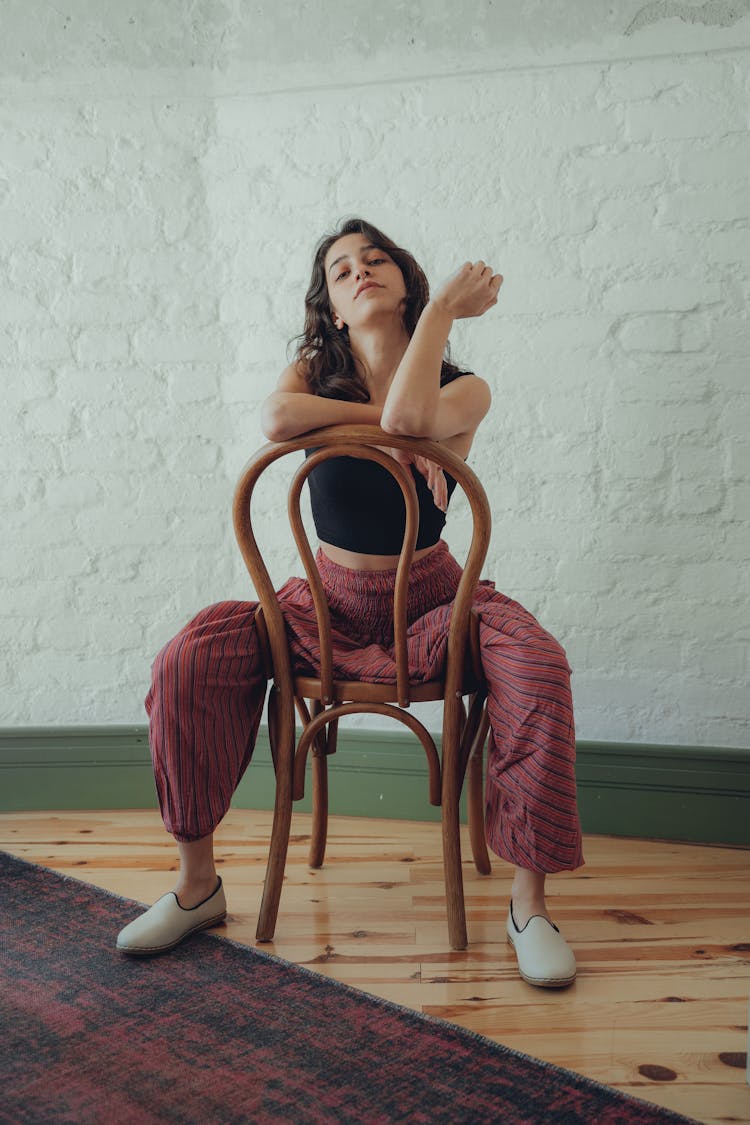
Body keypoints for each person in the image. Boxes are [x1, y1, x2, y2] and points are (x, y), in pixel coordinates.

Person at [116, 217, 584, 988]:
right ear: (332, 308)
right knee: (188, 657)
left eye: (375, 260)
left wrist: (437, 332)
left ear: (407, 288)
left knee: (538, 663)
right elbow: (277, 421)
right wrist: (386, 428)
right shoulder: (310, 374)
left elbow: (411, 418)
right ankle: (197, 884)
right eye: (339, 269)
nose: (358, 270)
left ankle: (529, 905)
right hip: (320, 603)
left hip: (436, 601)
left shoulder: (464, 388)